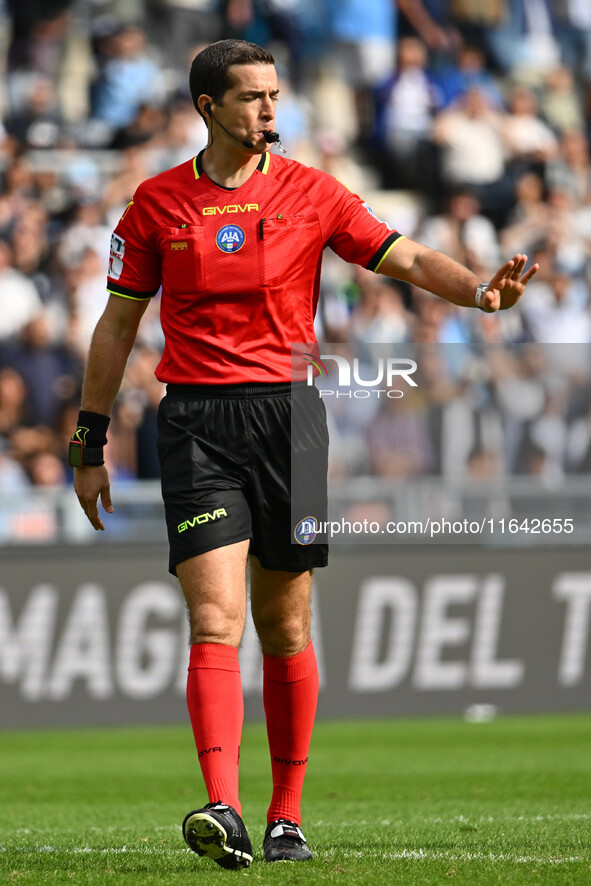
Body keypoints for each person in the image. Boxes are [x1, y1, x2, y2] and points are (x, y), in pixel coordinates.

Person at [70, 38, 539, 870]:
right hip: (195, 427)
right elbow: (116, 327)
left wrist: (479, 291)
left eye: (276, 97)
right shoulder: (154, 205)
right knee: (213, 619)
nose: (269, 113)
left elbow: (406, 257)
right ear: (208, 107)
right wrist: (89, 437)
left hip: (291, 419)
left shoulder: (313, 192)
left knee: (283, 625)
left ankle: (286, 815)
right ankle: (223, 807)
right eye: (252, 98)